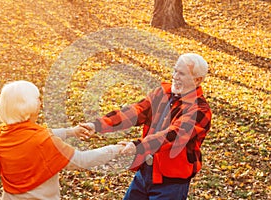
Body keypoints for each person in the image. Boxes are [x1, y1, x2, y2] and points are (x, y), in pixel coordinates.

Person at [81, 53, 212, 199]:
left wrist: (139, 146)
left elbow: (173, 136)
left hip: (171, 183)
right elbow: (135, 112)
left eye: (181, 73)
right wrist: (97, 125)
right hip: (145, 173)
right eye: (175, 70)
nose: (175, 76)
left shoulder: (200, 110)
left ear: (197, 80)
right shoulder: (162, 93)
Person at [0, 80, 124, 199]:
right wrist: (116, 149)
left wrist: (71, 132)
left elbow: (38, 136)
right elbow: (81, 160)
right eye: (38, 99)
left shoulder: (3, 132)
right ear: (28, 105)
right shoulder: (42, 140)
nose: (40, 102)